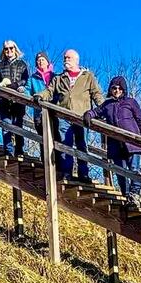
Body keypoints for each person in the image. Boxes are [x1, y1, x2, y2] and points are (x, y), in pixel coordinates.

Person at [34, 49, 104, 183]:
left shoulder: (87, 76)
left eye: (69, 58)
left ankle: (84, 174)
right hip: (64, 116)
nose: (66, 60)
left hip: (82, 117)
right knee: (65, 145)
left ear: (76, 60)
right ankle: (67, 173)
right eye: (65, 58)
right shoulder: (59, 78)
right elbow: (49, 92)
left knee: (82, 145)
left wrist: (103, 110)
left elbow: (97, 95)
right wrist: (40, 95)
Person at [83, 76, 141, 205]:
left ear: (123, 90)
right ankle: (126, 196)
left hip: (133, 143)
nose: (117, 90)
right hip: (116, 145)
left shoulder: (131, 102)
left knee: (134, 170)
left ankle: (134, 194)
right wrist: (88, 114)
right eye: (114, 88)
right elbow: (96, 111)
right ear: (110, 89)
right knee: (121, 172)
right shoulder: (107, 104)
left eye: (119, 88)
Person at [0, 40, 29, 156]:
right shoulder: (0, 65)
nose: (9, 51)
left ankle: (19, 151)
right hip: (3, 100)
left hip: (18, 100)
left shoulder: (22, 64)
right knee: (6, 126)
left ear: (15, 49)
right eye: (6, 49)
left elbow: (26, 79)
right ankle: (8, 152)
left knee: (18, 126)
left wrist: (16, 85)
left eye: (11, 48)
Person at [25, 51, 59, 146]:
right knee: (43, 140)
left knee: (57, 138)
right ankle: (44, 160)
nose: (40, 62)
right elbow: (27, 90)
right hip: (39, 113)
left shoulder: (55, 77)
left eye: (43, 60)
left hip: (54, 112)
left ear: (47, 62)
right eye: (38, 60)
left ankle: (58, 160)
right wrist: (22, 91)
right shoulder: (33, 78)